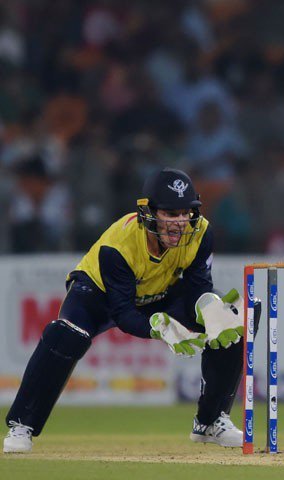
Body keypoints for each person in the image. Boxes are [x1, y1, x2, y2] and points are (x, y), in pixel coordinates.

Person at [4, 167, 258, 453]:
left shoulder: (201, 232)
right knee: (66, 335)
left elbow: (199, 285)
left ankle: (210, 422)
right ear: (148, 212)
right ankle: (22, 425)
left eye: (185, 212)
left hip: (161, 291)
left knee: (233, 320)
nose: (180, 223)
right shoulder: (118, 245)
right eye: (170, 214)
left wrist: (208, 305)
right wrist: (158, 327)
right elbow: (123, 313)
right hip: (98, 295)